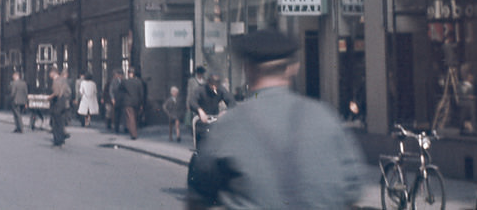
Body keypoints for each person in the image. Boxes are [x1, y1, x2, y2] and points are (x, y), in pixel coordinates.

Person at [187, 29, 369, 209]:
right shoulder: (326, 118)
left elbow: (199, 193)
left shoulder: (228, 128)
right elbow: (353, 188)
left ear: (247, 69)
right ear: (293, 68)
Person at [189, 72, 236, 148]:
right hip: (202, 120)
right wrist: (199, 110)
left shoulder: (220, 89)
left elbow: (232, 102)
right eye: (212, 86)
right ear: (208, 83)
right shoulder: (200, 89)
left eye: (216, 86)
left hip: (215, 118)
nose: (214, 88)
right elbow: (192, 101)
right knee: (202, 139)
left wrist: (225, 111)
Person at [120, 67, 146, 139]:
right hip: (137, 102)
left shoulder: (125, 82)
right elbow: (141, 94)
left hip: (128, 102)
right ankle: (132, 130)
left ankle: (133, 134)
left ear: (128, 73)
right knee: (135, 117)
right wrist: (141, 103)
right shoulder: (139, 82)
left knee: (130, 118)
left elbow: (120, 91)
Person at [48, 67, 71, 147]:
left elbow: (56, 93)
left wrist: (49, 97)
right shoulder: (63, 80)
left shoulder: (56, 81)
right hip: (64, 102)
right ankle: (61, 138)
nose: (49, 75)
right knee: (61, 122)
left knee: (55, 122)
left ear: (53, 73)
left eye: (50, 73)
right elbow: (68, 91)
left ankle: (57, 140)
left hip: (57, 103)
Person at [105, 68, 124, 132]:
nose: (121, 76)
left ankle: (125, 127)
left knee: (123, 114)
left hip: (123, 100)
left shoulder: (124, 81)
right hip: (116, 99)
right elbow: (111, 90)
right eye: (120, 75)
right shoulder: (114, 81)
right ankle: (116, 127)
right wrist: (112, 98)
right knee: (116, 113)